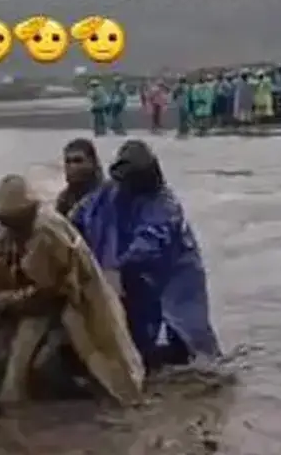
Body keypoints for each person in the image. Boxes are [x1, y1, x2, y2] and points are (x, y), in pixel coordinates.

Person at [0, 175, 145, 406]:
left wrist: (10, 298)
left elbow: (49, 290)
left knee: (106, 353)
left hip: (74, 299)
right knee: (2, 356)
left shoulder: (47, 233)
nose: (3, 223)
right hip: (31, 300)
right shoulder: (4, 234)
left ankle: (114, 396)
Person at [72, 140, 221, 370]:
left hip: (174, 275)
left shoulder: (165, 204)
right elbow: (80, 216)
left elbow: (151, 242)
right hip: (130, 277)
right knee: (134, 339)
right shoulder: (109, 192)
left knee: (191, 341)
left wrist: (117, 267)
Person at [55, 138, 104, 217]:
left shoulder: (104, 197)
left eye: (77, 161)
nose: (72, 166)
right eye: (68, 161)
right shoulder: (64, 199)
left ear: (92, 163)